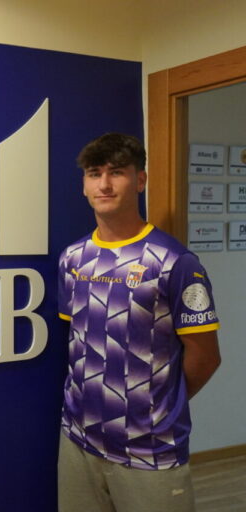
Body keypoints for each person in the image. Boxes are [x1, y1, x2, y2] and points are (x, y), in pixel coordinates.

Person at [57, 133, 222, 511]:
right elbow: (77, 338)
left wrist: (155, 406)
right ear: (83, 184)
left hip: (150, 450)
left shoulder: (173, 262)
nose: (104, 184)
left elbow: (206, 357)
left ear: (140, 180)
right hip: (78, 440)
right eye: (94, 173)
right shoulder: (73, 258)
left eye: (117, 172)